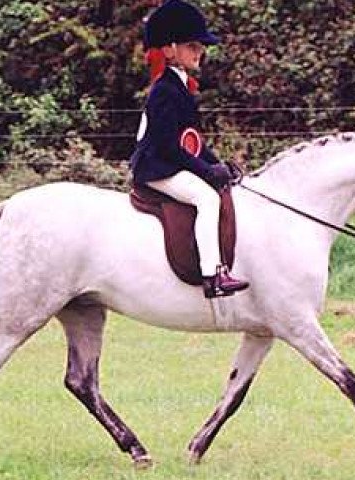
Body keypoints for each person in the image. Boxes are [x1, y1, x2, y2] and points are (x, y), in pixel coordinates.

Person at [130, 0, 249, 299]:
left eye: (200, 46)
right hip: (156, 167)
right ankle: (213, 275)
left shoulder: (180, 86)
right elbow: (169, 147)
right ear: (170, 50)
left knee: (215, 189)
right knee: (207, 198)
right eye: (192, 46)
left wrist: (218, 164)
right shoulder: (165, 90)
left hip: (168, 161)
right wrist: (207, 172)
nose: (201, 51)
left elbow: (191, 140)